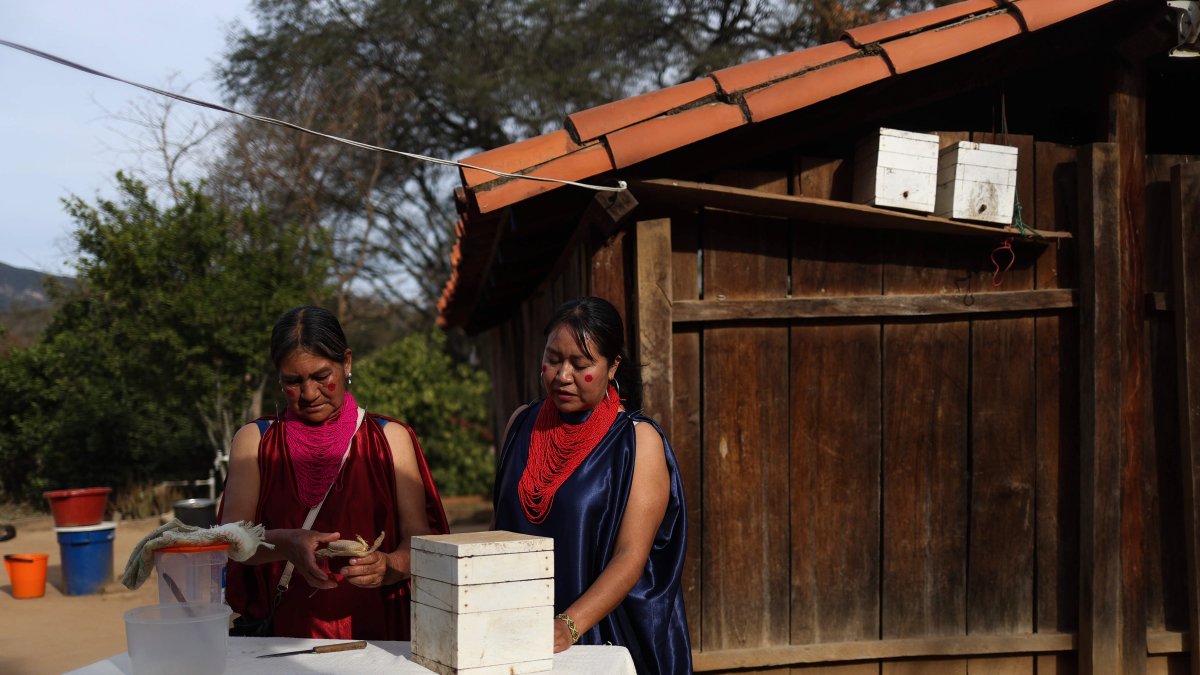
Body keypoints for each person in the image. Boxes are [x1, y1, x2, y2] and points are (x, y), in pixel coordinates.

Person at [219, 305, 448, 640]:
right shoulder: (255, 441)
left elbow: (419, 541)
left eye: (321, 376)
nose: (309, 394)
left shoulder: (390, 439)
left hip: (380, 636)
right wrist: (286, 544)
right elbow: (231, 539)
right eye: (293, 382)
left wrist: (389, 566)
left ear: (348, 362)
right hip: (284, 638)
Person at [492, 296, 692, 674]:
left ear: (613, 366)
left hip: (602, 632)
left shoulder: (637, 441)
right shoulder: (521, 424)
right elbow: (499, 529)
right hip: (514, 632)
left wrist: (568, 625)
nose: (562, 375)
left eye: (580, 364)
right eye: (553, 359)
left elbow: (630, 556)